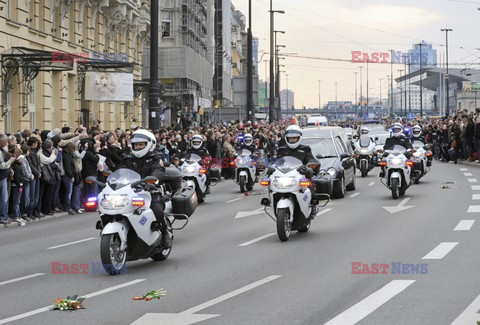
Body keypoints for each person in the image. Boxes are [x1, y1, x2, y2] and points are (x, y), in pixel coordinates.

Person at [120, 129, 172, 249]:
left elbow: (158, 170)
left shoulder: (156, 157)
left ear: (148, 144)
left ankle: (165, 234)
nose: (138, 147)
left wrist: (153, 181)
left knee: (157, 210)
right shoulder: (127, 158)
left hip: (151, 191)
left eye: (141, 144)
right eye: (136, 145)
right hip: (130, 191)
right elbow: (120, 172)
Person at [276, 125, 318, 217]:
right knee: (272, 183)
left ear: (299, 138)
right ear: (286, 138)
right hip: (285, 175)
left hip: (301, 174)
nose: (292, 140)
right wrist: (271, 168)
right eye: (290, 138)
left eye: (294, 138)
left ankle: (313, 204)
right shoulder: (282, 150)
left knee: (310, 183)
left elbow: (311, 160)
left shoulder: (305, 149)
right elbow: (276, 162)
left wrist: (307, 167)